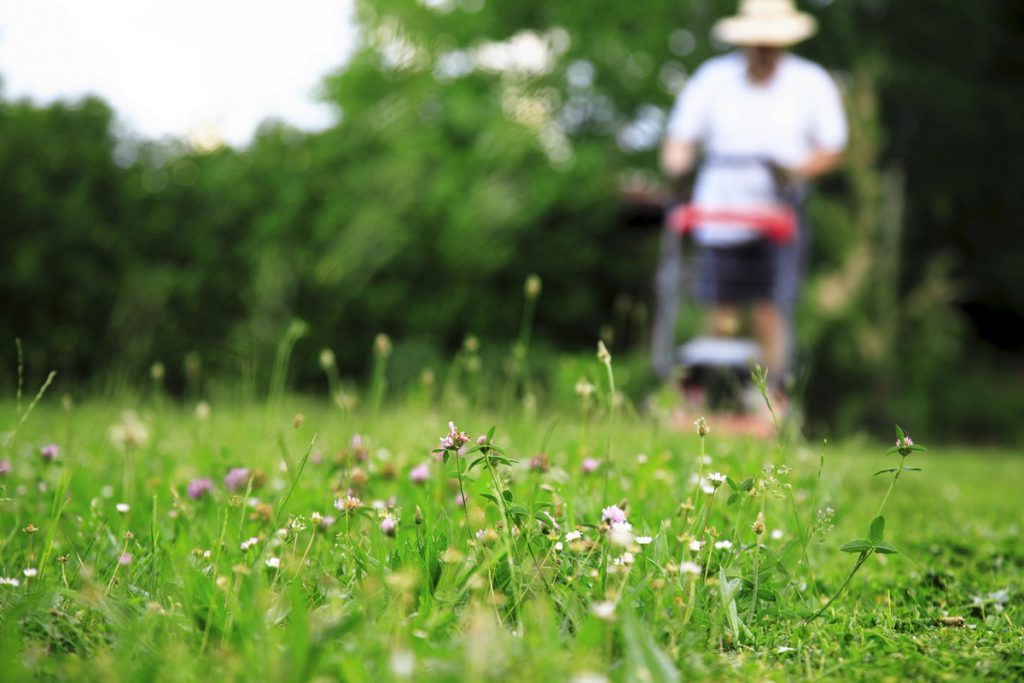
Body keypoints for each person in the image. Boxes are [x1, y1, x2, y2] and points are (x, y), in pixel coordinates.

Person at [652, 0, 848, 402]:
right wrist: (676, 163)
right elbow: (679, 140)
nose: (763, 51)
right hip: (717, 212)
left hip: (778, 215)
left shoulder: (810, 82)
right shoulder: (713, 79)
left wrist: (795, 170)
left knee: (769, 309)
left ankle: (769, 397)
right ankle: (708, 397)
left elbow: (832, 148)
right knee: (719, 308)